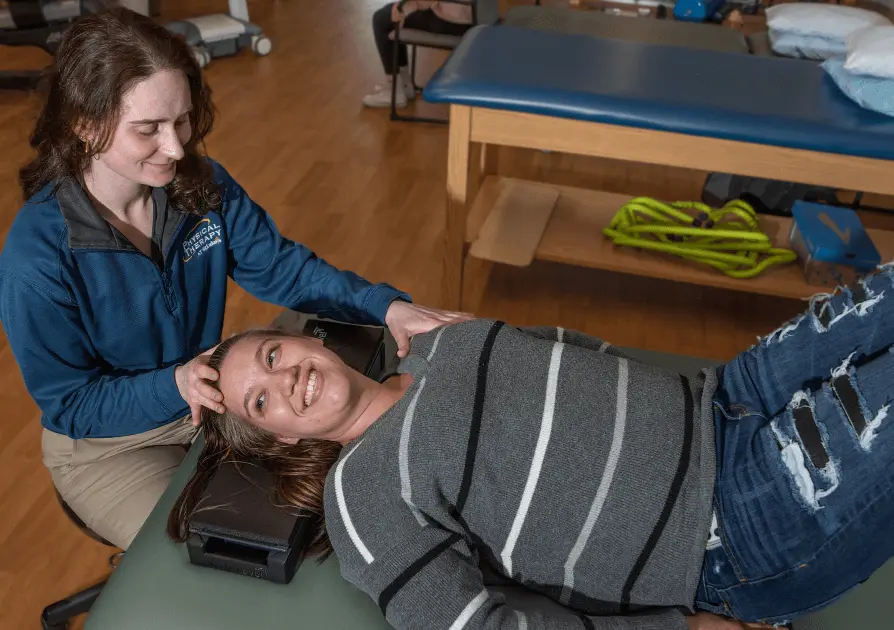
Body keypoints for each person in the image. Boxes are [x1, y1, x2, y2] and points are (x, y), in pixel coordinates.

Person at [168, 264, 894, 630]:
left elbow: (585, 359)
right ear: (285, 438)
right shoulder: (360, 499)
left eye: (270, 353)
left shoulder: (439, 341)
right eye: (260, 401)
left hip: (726, 393)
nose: (284, 376)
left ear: (302, 338)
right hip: (727, 526)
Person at [0, 7, 468, 551]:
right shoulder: (37, 261)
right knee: (219, 560)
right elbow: (72, 405)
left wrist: (386, 307)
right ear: (85, 124)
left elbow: (280, 268)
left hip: (217, 403)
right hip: (112, 443)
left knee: (345, 511)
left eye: (181, 119)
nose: (175, 147)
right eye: (148, 130)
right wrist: (174, 384)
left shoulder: (199, 185)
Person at [363, 1, 474, 109]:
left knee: (380, 19)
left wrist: (404, 8)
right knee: (391, 12)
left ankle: (394, 91)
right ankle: (403, 86)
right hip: (468, 16)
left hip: (450, 19)